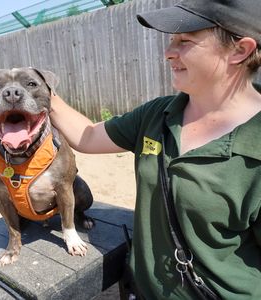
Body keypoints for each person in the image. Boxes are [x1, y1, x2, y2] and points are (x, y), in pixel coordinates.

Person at [49, 0, 261, 299]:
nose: (168, 52)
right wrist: (40, 90)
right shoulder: (158, 114)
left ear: (240, 51)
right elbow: (87, 137)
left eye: (185, 41)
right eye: (170, 40)